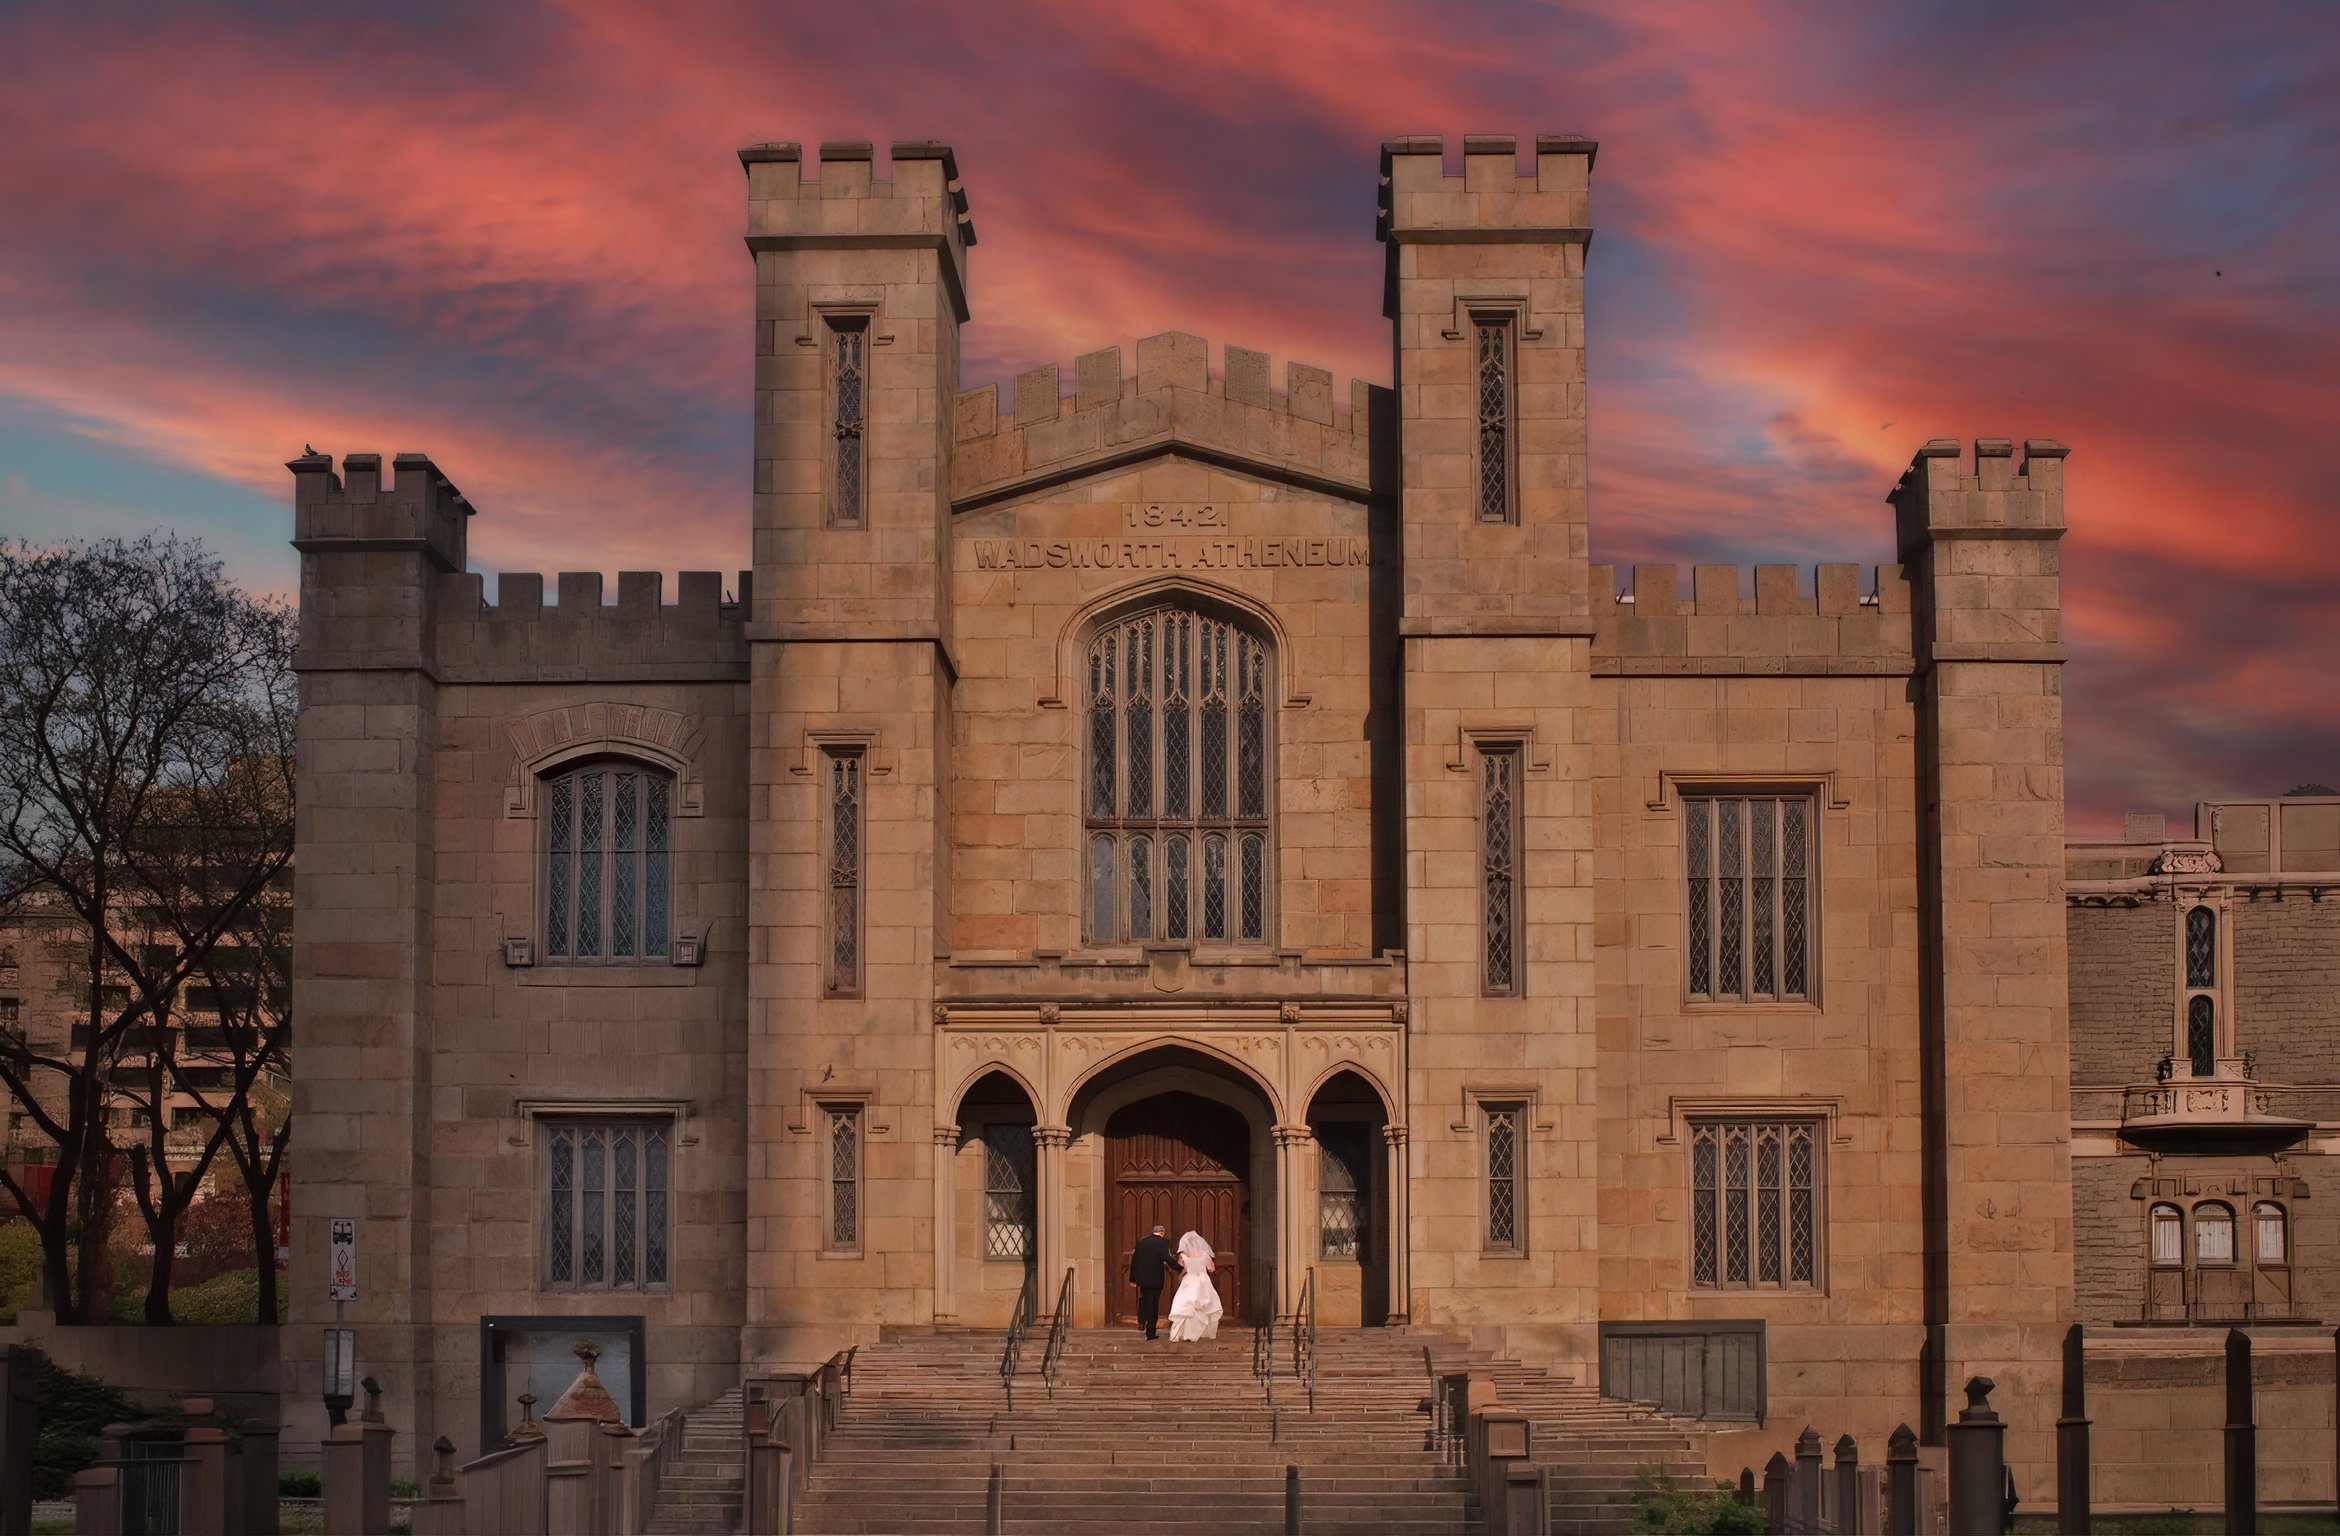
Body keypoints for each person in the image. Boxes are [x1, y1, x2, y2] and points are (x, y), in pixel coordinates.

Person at [1166, 1230, 1224, 1342]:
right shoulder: (1205, 1255)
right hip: (1203, 1280)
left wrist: (1182, 1274)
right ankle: (1201, 1332)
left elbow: (1181, 1269)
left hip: (1190, 1279)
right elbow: (1212, 1268)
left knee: (1187, 1305)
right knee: (1204, 1305)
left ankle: (1184, 1333)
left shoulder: (1183, 1256)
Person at [1128, 1224, 1175, 1340]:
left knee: (1144, 1300)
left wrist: (1133, 1279)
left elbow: (1135, 1262)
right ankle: (1150, 1333)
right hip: (1155, 1279)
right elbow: (1167, 1258)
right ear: (1162, 1233)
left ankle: (1141, 1322)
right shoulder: (1163, 1243)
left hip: (1143, 1279)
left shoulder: (1141, 1243)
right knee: (1153, 1305)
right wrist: (1179, 1268)